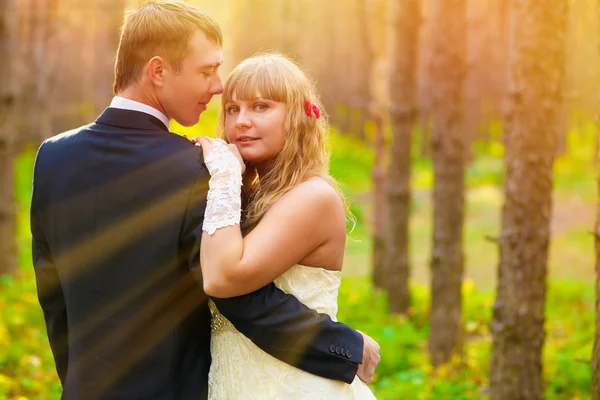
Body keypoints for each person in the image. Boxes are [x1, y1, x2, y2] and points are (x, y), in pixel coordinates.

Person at [30, 1, 380, 399]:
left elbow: (53, 294)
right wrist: (346, 346)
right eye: (206, 71)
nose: (216, 85)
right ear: (158, 71)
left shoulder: (52, 157)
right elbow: (240, 298)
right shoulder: (197, 167)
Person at [192, 53, 378, 399]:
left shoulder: (312, 197)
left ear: (295, 117)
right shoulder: (252, 194)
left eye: (261, 107)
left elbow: (221, 276)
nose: (242, 122)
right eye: (233, 109)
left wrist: (224, 176)